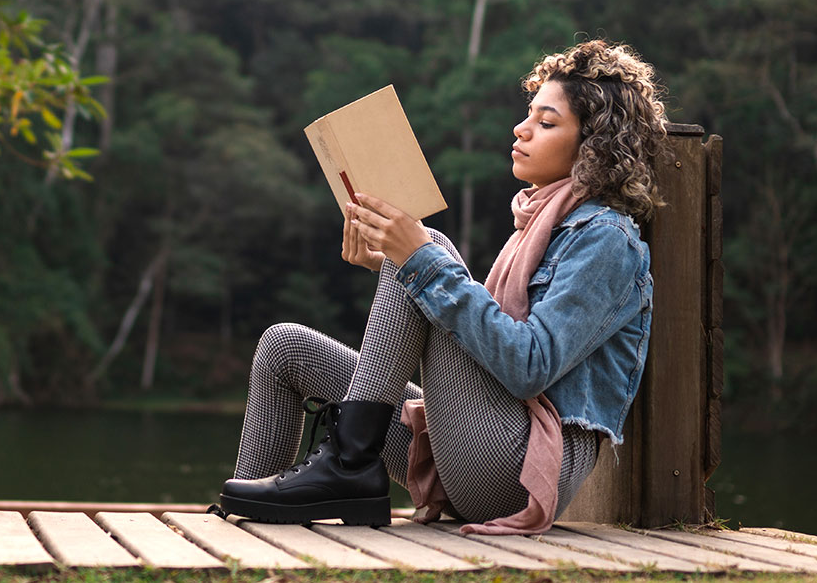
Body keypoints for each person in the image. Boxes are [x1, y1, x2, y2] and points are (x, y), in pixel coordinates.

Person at [218, 39, 667, 533]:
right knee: (286, 347)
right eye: (528, 116)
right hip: (471, 449)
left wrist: (417, 261)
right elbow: (475, 330)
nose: (520, 129)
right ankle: (255, 506)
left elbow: (529, 366)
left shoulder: (607, 239)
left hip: (516, 472)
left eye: (545, 122)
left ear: (595, 145)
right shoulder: (542, 222)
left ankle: (348, 466)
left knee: (424, 247)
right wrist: (395, 264)